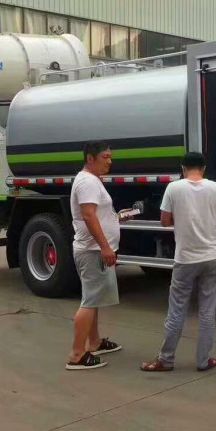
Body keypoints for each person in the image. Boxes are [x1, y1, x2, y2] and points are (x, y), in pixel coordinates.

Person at [141, 152, 216, 372]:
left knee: (177, 310)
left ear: (183, 169)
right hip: (211, 257)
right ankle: (203, 361)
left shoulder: (173, 188)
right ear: (204, 168)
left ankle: (166, 359)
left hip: (185, 259)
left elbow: (164, 221)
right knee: (207, 311)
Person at [66, 141, 122, 370]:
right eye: (105, 157)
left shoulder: (92, 180)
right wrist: (105, 247)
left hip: (93, 249)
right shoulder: (88, 182)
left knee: (94, 298)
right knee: (89, 301)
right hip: (92, 251)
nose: (110, 161)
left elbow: (97, 213)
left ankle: (95, 342)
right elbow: (88, 216)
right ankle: (77, 355)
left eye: (110, 157)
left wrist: (117, 218)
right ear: (90, 158)